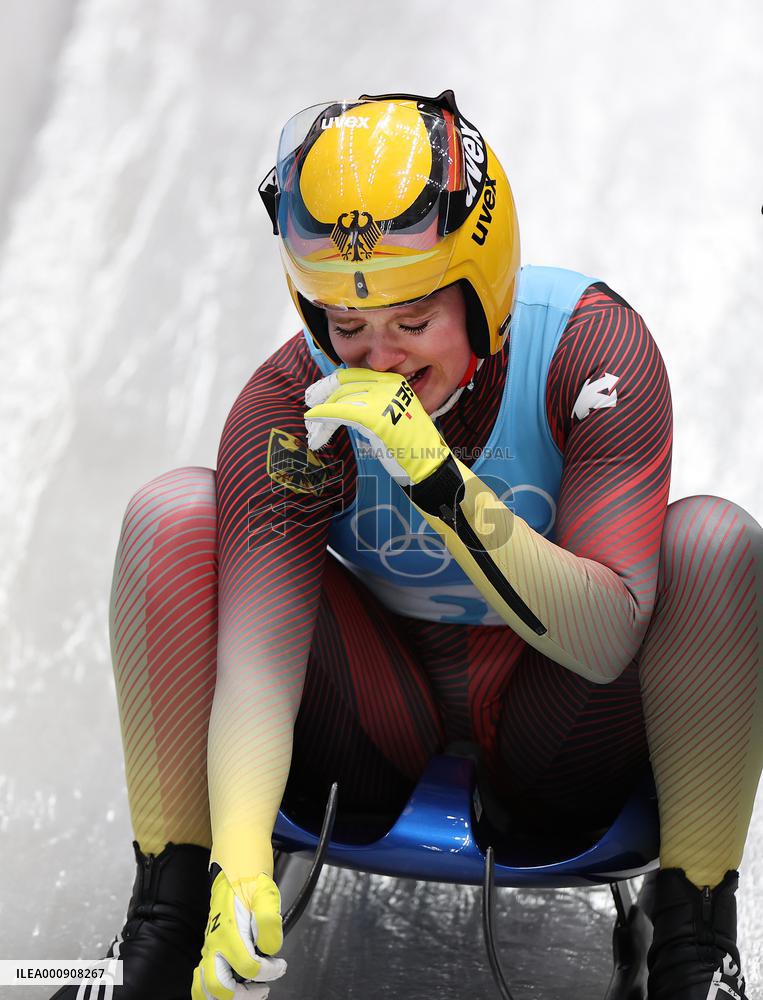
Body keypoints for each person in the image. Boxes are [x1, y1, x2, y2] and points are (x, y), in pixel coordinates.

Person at [52, 91, 762, 1000]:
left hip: (564, 725)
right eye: (345, 325)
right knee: (174, 515)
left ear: (483, 290)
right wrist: (237, 863)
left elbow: (607, 638)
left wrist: (439, 483)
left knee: (712, 543)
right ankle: (165, 918)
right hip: (374, 726)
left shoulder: (589, 350)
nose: (375, 357)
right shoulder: (290, 406)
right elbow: (258, 675)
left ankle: (697, 944)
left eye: (411, 321)